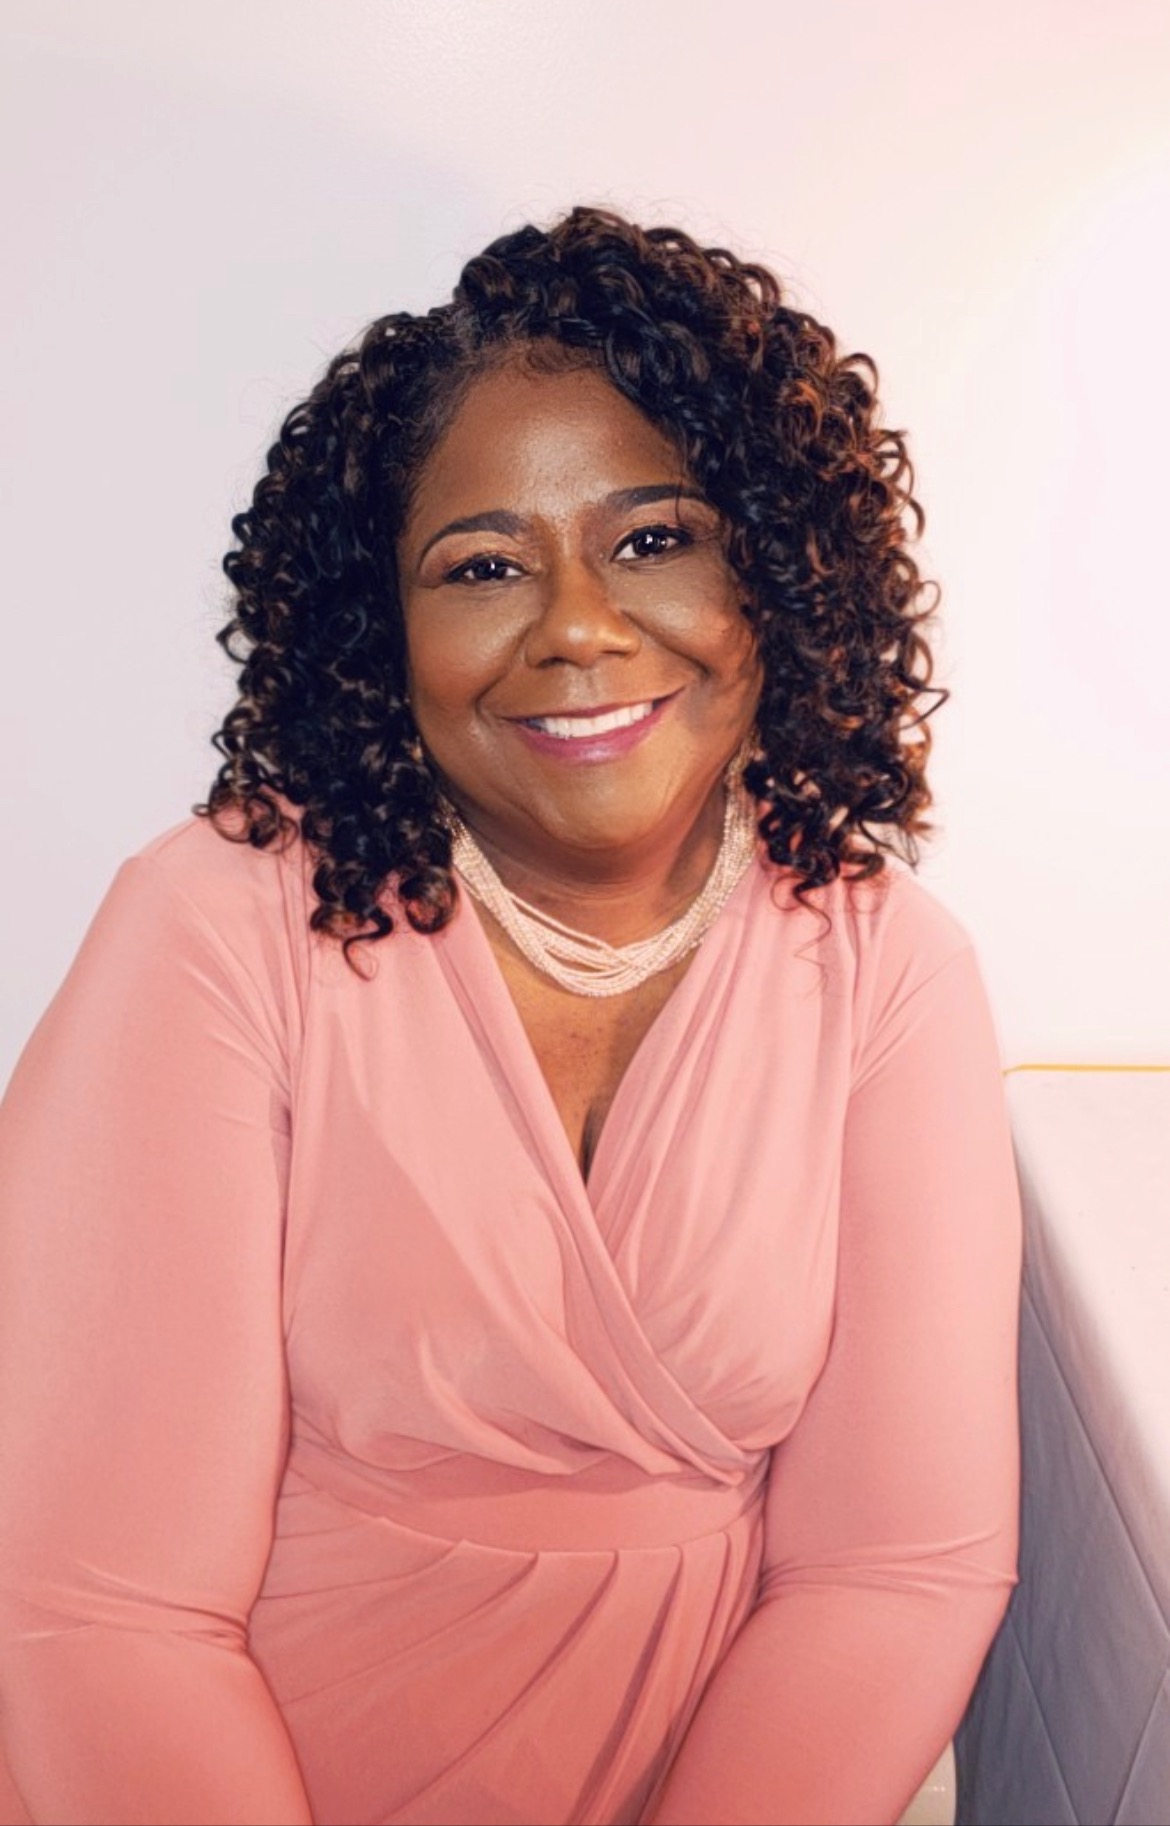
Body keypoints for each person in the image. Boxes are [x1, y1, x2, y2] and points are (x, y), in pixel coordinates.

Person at [0, 206, 1021, 1826]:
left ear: (775, 569)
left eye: (654, 539)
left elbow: (894, 1568)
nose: (576, 626)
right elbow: (99, 1609)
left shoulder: (882, 967)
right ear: (381, 630)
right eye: (482, 566)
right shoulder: (216, 926)